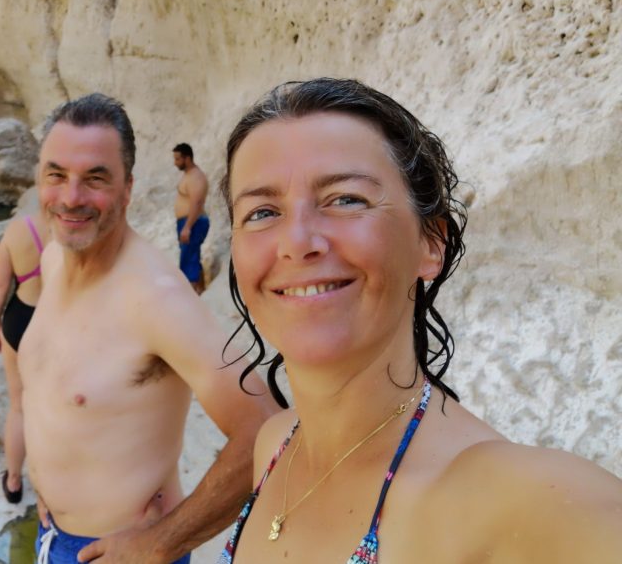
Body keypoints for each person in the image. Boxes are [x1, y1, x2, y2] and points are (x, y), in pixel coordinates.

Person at [215, 78, 622, 563]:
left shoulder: (523, 502)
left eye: (346, 199)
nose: (297, 241)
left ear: (431, 242)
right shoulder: (276, 444)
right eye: (262, 212)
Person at [19, 94, 275, 564]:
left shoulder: (156, 299)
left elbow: (267, 430)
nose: (71, 197)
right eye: (56, 175)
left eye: (95, 179)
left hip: (122, 552)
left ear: (127, 188)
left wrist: (164, 542)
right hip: (52, 536)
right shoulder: (54, 258)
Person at [0, 210, 49, 504]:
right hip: (57, 320)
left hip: (20, 317)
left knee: (18, 406)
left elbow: (0, 286)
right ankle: (50, 482)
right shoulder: (72, 227)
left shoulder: (16, 230)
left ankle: (13, 481)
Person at [173, 143, 210, 294]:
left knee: (189, 259)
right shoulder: (189, 175)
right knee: (191, 256)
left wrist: (187, 226)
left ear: (187, 158)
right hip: (188, 222)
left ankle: (193, 294)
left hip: (193, 222)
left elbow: (197, 202)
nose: (175, 162)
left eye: (177, 159)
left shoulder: (196, 176)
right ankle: (200, 291)